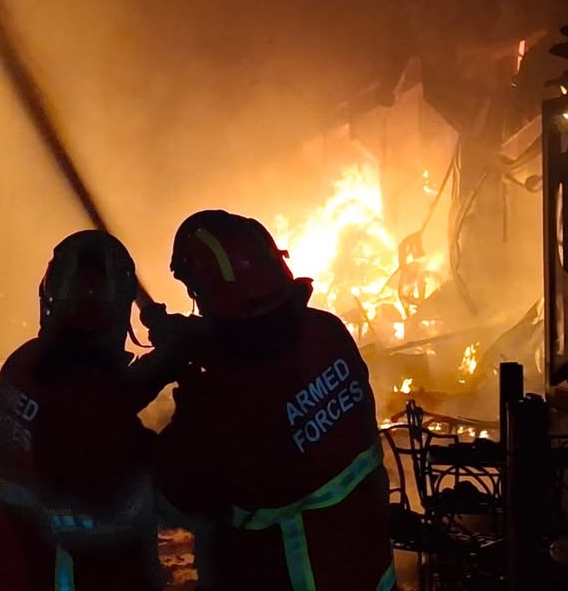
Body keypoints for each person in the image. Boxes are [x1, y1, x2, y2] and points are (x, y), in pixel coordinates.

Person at [148, 210, 396, 591]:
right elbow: (266, 343)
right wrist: (199, 340)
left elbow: (170, 495)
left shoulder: (221, 400)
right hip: (371, 574)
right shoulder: (328, 332)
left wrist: (170, 376)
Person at [0, 230, 162, 591]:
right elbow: (103, 430)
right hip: (76, 573)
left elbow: (98, 402)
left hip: (17, 568)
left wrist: (164, 365)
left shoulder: (26, 364)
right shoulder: (79, 395)